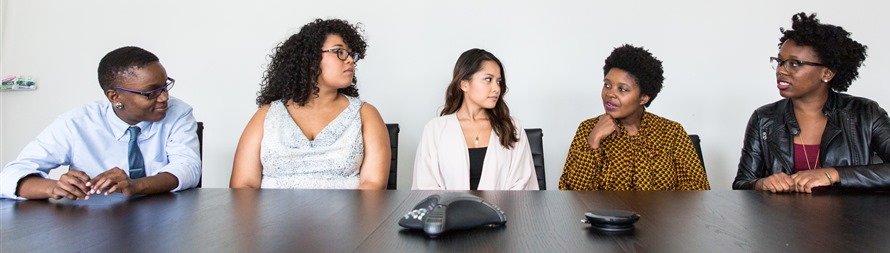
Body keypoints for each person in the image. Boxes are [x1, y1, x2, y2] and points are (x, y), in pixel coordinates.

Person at [733, 13, 890, 193]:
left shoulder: (865, 113)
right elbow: (742, 183)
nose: (781, 71)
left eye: (794, 63)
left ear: (826, 73)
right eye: (780, 61)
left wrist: (833, 174)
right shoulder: (764, 118)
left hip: (852, 225)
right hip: (783, 226)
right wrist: (761, 183)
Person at [0, 46, 201, 200]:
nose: (164, 97)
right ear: (115, 97)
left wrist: (135, 185)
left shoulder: (178, 113)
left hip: (165, 221)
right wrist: (52, 187)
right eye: (151, 92)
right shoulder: (77, 123)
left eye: (165, 86)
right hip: (93, 223)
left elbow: (188, 168)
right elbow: (9, 176)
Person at [230, 18, 389, 189]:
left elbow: (373, 186)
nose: (350, 59)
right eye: (339, 52)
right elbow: (243, 186)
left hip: (348, 215)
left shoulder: (366, 114)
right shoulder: (267, 115)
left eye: (351, 54)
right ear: (311, 59)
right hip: (272, 216)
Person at [559, 44, 710, 191]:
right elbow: (571, 195)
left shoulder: (671, 132)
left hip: (660, 216)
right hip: (606, 216)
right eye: (607, 85)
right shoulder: (588, 129)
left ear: (644, 97)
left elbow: (697, 191)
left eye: (622, 89)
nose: (609, 94)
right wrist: (594, 140)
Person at [412, 48, 538, 190]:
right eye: (488, 79)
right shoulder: (435, 129)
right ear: (464, 84)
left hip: (503, 211)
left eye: (498, 81)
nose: (496, 88)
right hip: (448, 211)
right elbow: (425, 186)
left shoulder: (512, 127)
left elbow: (522, 185)